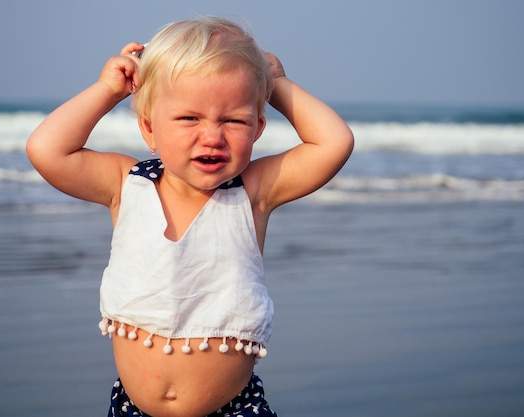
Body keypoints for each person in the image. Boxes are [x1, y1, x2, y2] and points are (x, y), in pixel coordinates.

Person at [26, 16, 353, 417]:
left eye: (234, 120)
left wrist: (277, 85)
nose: (212, 135)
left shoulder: (252, 193)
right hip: (133, 410)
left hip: (235, 409)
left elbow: (334, 142)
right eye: (189, 118)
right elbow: (46, 149)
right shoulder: (126, 184)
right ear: (149, 128)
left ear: (258, 128)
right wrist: (106, 91)